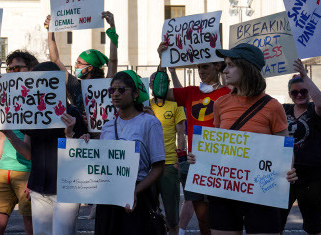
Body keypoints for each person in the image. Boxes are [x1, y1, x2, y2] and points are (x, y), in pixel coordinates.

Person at [207, 43, 294, 234]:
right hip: (225, 186)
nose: (224, 70)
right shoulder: (220, 103)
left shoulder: (273, 106)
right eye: (225, 64)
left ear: (246, 68)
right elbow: (215, 147)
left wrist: (288, 170)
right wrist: (199, 159)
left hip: (262, 189)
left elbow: (284, 150)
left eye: (230, 64)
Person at [0, 61, 88, 235]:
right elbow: (27, 153)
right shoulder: (31, 113)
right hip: (38, 186)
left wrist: (69, 133)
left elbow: (80, 155)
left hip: (67, 187)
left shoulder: (72, 112)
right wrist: (8, 133)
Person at [156, 41, 230, 235]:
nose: (200, 71)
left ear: (218, 66)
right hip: (195, 163)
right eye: (198, 67)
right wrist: (162, 61)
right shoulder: (190, 92)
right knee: (203, 221)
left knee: (221, 219)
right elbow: (159, 91)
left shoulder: (230, 93)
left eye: (205, 66)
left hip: (221, 164)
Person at [92, 70, 165, 234]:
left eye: (121, 90)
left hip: (138, 197)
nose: (116, 94)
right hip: (109, 197)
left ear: (135, 94)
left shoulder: (150, 123)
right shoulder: (107, 127)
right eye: (112, 90)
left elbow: (159, 167)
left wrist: (134, 192)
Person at [0, 50, 38, 235]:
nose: (13, 72)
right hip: (2, 171)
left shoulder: (39, 97)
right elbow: (0, 137)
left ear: (31, 69)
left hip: (28, 172)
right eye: (10, 69)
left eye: (17, 68)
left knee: (31, 226)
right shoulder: (7, 98)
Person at [280, 60, 321, 235]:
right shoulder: (284, 110)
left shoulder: (313, 109)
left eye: (304, 91)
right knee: (276, 220)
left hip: (314, 175)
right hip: (287, 173)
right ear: (290, 94)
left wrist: (304, 76)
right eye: (295, 92)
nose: (300, 95)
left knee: (312, 224)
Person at [44, 12, 118, 111]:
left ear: (90, 67)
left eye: (79, 63)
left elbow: (112, 61)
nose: (75, 66)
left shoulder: (105, 85)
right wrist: (50, 30)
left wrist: (112, 29)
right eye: (76, 62)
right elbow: (55, 60)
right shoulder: (75, 85)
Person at [150, 68, 186, 235]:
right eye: (151, 83)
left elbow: (181, 133)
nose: (154, 85)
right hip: (149, 166)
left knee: (172, 217)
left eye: (156, 83)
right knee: (150, 213)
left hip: (170, 165)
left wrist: (180, 158)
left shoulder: (175, 105)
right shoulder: (145, 106)